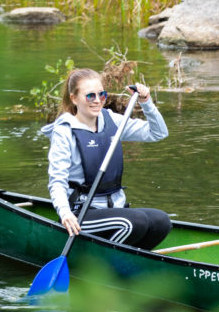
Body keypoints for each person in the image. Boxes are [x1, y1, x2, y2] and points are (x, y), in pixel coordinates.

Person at [41, 68, 171, 250]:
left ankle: (132, 263)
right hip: (81, 214)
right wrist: (65, 213)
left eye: (101, 95)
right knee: (134, 223)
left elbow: (158, 133)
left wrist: (146, 103)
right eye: (90, 96)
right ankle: (103, 264)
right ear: (74, 98)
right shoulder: (64, 132)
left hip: (115, 209)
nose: (97, 100)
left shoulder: (113, 121)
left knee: (161, 221)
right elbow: (57, 181)